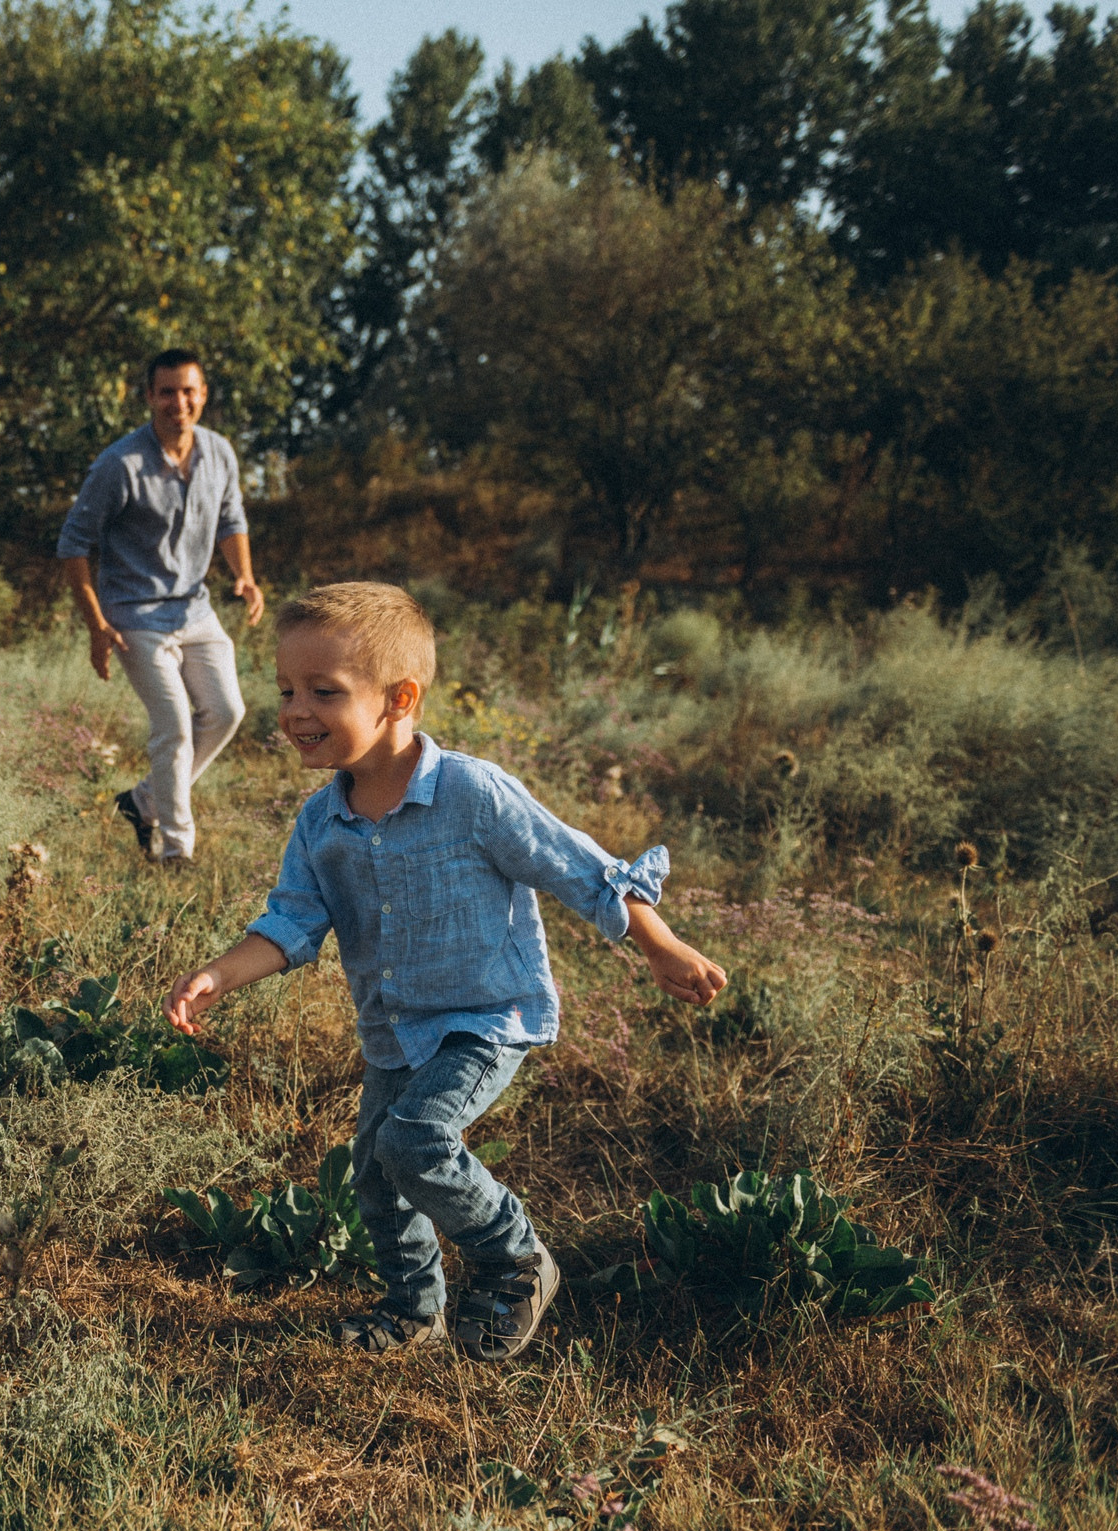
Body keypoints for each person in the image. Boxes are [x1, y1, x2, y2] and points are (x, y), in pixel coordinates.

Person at [161, 581, 729, 1361]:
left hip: (485, 1017)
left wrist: (660, 942)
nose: (295, 710)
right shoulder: (321, 820)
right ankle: (413, 1309)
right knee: (373, 1173)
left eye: (324, 692)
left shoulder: (473, 793)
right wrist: (220, 975)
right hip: (397, 1028)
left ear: (400, 698)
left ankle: (513, 1257)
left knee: (416, 1137)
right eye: (287, 689)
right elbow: (293, 920)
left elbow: (577, 867)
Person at [56, 348, 264, 865]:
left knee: (226, 711)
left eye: (189, 391)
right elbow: (73, 545)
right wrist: (96, 625)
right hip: (134, 614)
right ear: (149, 397)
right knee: (172, 724)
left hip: (195, 610)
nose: (179, 402)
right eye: (167, 392)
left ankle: (142, 802)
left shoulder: (218, 453)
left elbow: (232, 521)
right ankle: (175, 852)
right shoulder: (119, 464)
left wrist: (245, 576)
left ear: (204, 395)